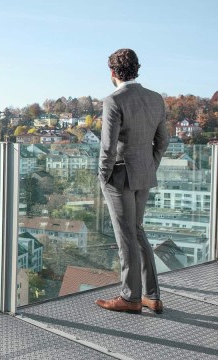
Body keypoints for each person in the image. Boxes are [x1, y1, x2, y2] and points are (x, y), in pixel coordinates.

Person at [95, 48, 168, 314]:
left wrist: (103, 177)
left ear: (112, 72)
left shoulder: (114, 100)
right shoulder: (155, 99)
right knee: (137, 231)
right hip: (144, 174)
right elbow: (163, 140)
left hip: (120, 176)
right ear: (137, 70)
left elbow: (107, 147)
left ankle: (130, 297)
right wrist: (150, 165)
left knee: (126, 235)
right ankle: (152, 296)